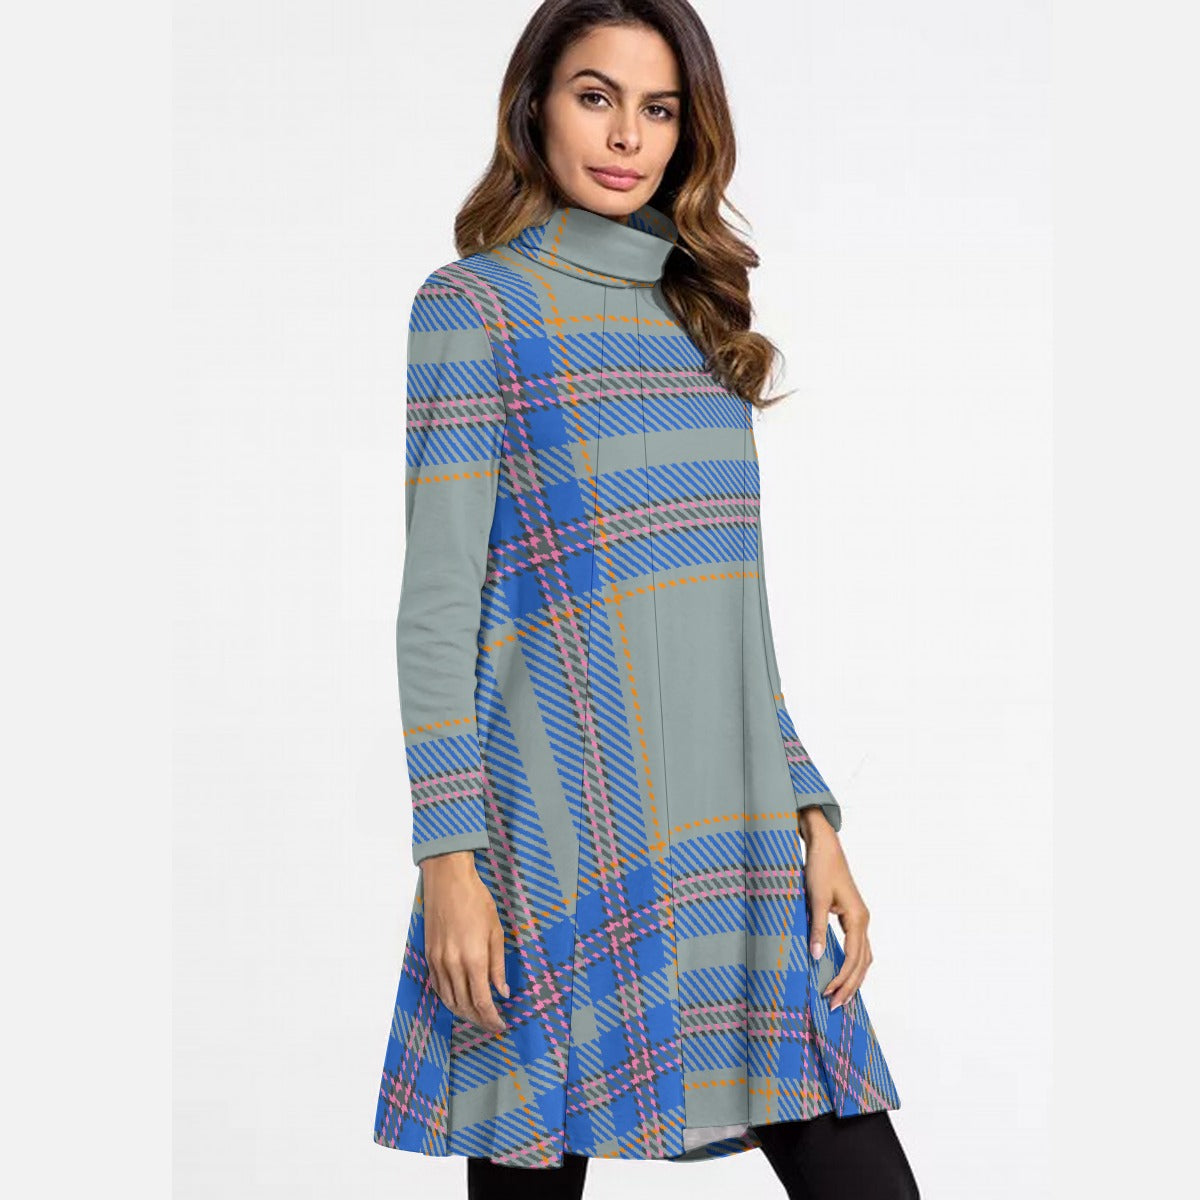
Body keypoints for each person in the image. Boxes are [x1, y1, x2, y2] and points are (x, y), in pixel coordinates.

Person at [373, 2, 920, 1197]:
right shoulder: (476, 308)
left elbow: (738, 614)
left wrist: (812, 811)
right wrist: (448, 855)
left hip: (730, 820)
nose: (627, 136)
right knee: (532, 1167)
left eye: (659, 108)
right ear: (535, 106)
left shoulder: (700, 319)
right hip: (550, 825)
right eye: (596, 96)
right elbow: (436, 607)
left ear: (688, 130)